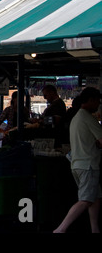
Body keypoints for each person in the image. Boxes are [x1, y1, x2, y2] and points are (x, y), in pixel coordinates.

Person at [54, 87, 102, 233]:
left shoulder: (77, 117)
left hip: (78, 163)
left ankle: (95, 229)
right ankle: (60, 229)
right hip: (88, 164)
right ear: (92, 100)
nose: (98, 105)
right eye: (97, 101)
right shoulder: (88, 117)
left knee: (96, 197)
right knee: (86, 199)